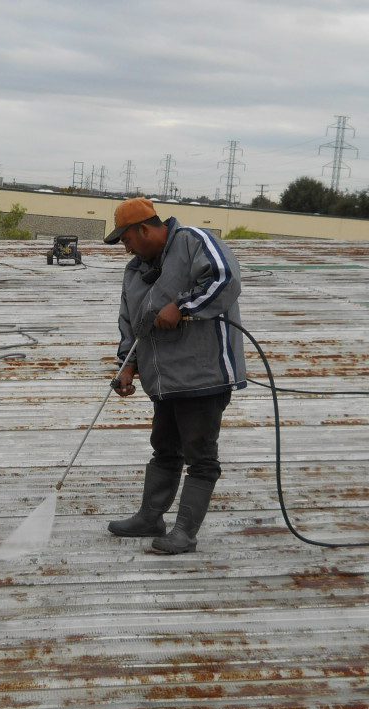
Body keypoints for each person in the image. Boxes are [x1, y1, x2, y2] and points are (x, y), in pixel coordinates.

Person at [105, 198, 246, 554]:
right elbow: (131, 323)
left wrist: (181, 306)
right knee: (164, 449)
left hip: (203, 376)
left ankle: (185, 532)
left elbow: (225, 279)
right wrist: (128, 366)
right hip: (164, 380)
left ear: (145, 229)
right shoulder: (136, 270)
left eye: (127, 239)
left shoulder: (194, 241)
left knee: (200, 456)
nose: (126, 247)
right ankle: (150, 517)